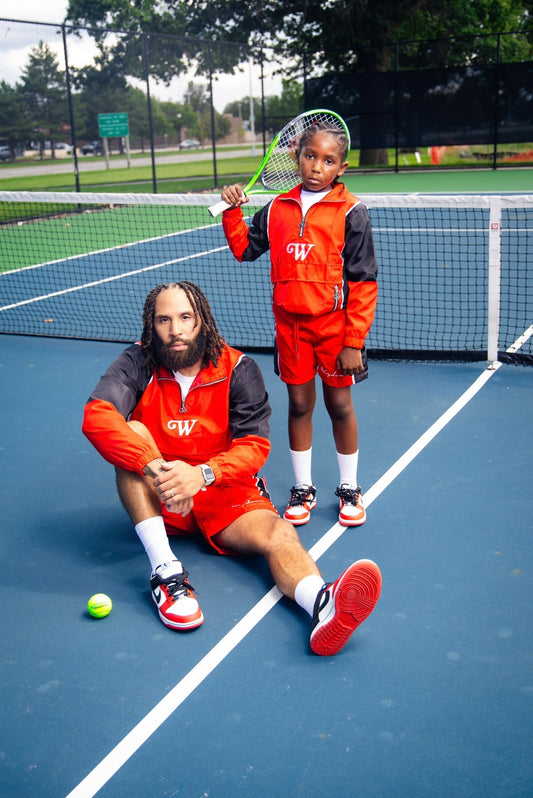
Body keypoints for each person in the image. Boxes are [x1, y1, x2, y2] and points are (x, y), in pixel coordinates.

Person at [82, 281, 381, 656]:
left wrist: (201, 474)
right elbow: (97, 416)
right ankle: (167, 574)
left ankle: (321, 603)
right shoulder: (137, 361)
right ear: (151, 325)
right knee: (130, 436)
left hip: (222, 491)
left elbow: (254, 446)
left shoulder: (239, 368)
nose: (175, 330)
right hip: (162, 493)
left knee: (280, 532)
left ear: (202, 321)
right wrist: (159, 470)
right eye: (164, 320)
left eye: (185, 317)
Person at [220, 120, 378, 528]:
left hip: (335, 331)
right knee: (299, 405)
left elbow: (363, 282)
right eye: (310, 156)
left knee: (339, 406)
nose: (316, 166)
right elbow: (244, 249)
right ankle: (303, 488)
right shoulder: (276, 209)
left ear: (341, 168)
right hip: (290, 330)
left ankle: (349, 488)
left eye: (328, 161)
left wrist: (353, 342)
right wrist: (232, 211)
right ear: (296, 158)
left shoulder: (352, 212)